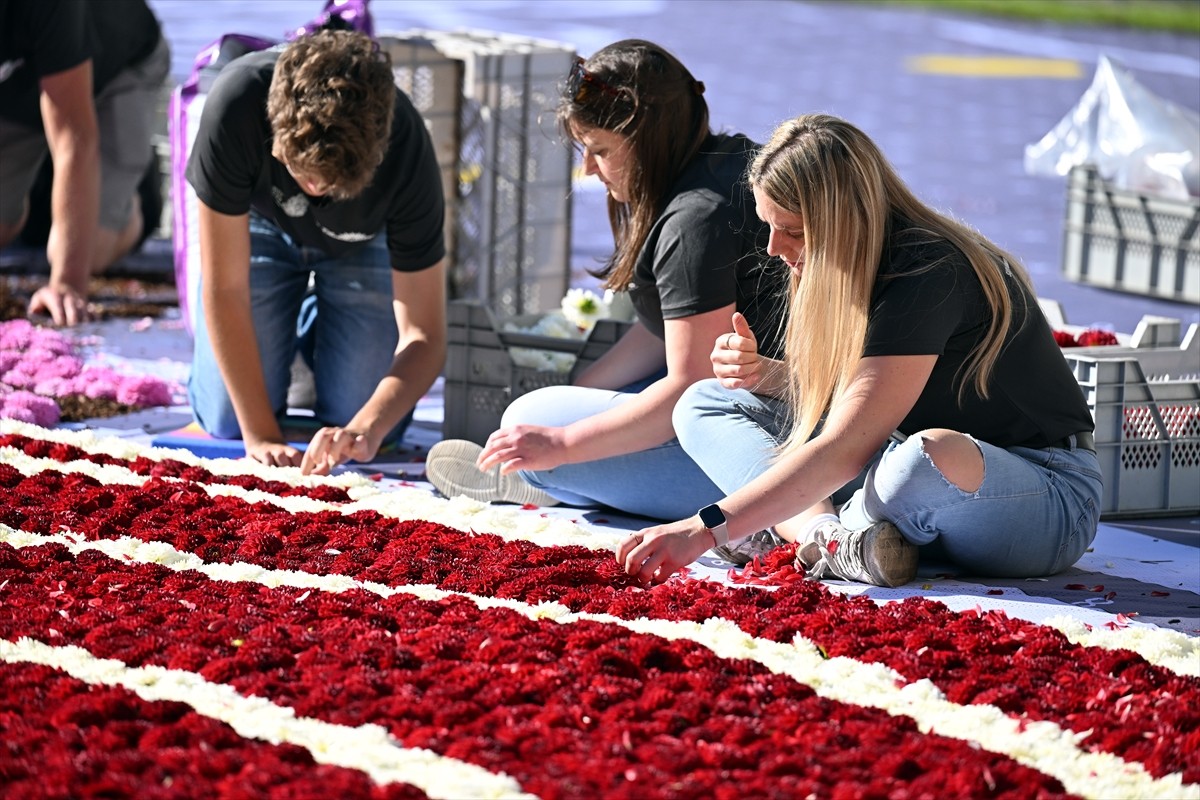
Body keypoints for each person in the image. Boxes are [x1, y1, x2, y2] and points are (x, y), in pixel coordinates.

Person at [619, 113, 1103, 588]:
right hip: (895, 463)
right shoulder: (845, 261)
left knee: (925, 456)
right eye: (768, 225)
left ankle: (805, 536)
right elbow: (860, 407)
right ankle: (827, 538)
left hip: (1044, 493)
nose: (771, 248)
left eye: (792, 230)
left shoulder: (928, 270)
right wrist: (766, 375)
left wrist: (704, 528)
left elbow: (849, 446)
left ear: (842, 221)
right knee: (706, 401)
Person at [425, 39, 789, 533]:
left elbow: (692, 388)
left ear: (647, 139)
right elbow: (666, 329)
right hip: (769, 408)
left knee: (530, 417)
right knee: (559, 409)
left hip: (766, 447)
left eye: (600, 151)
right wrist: (578, 395)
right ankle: (557, 474)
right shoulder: (727, 160)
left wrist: (562, 442)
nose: (589, 170)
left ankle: (547, 478)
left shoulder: (694, 220)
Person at [184, 29, 447, 475]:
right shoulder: (236, 101)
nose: (317, 190)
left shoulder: (407, 149)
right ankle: (291, 335)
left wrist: (365, 427)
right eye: (303, 174)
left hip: (360, 240)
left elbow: (425, 334)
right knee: (229, 419)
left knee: (367, 412)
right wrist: (261, 435)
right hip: (258, 221)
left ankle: (310, 334)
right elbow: (226, 288)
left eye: (332, 182)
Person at [0, 0, 170, 326]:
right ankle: (46, 185)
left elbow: (74, 139)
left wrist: (66, 284)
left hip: (115, 67)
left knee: (90, 249)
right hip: (21, 83)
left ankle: (140, 197)